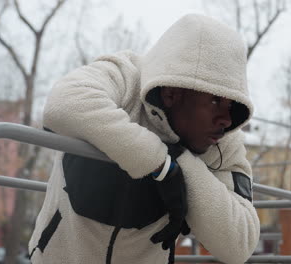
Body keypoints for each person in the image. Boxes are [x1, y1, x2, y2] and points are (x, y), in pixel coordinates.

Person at [28, 14, 260, 264]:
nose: (226, 119)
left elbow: (239, 245)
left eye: (232, 105)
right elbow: (64, 104)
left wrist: (182, 166)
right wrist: (159, 163)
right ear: (173, 93)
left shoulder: (224, 141)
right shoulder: (126, 75)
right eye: (215, 100)